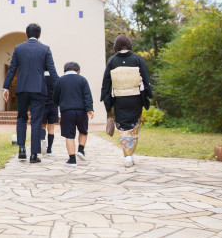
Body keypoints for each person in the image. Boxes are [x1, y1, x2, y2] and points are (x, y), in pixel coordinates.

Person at [3, 23, 59, 163]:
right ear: (39, 35)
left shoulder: (18, 48)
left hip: (22, 88)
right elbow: (52, 71)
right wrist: (59, 87)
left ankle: (22, 149)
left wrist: (6, 87)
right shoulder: (45, 49)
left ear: (26, 34)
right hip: (39, 89)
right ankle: (34, 154)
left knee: (21, 118)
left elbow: (12, 69)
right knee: (36, 120)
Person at [100, 34, 153, 168]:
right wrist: (148, 94)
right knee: (135, 125)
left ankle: (127, 155)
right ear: (129, 44)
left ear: (116, 46)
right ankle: (131, 152)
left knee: (123, 127)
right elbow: (146, 78)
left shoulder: (112, 61)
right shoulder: (137, 59)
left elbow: (106, 81)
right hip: (135, 97)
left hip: (120, 98)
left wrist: (105, 97)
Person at [52, 61, 94, 167]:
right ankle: (81, 150)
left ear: (64, 71)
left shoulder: (60, 80)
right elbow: (87, 95)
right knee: (83, 131)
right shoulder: (83, 80)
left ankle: (72, 159)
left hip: (66, 111)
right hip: (81, 111)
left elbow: (55, 97)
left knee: (69, 135)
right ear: (78, 71)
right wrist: (89, 109)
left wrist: (58, 104)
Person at [41, 70, 59, 155]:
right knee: (51, 128)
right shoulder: (55, 77)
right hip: (53, 105)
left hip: (42, 105)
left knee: (42, 126)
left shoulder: (40, 76)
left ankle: (42, 142)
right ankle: (49, 149)